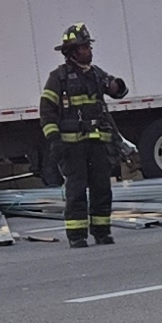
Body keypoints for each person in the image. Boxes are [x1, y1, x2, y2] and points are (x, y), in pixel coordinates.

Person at [39, 22, 128, 247]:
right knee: (76, 190)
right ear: (70, 52)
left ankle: (102, 232)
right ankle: (77, 236)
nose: (88, 51)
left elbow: (117, 92)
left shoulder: (97, 74)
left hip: (98, 144)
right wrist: (54, 140)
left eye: (88, 47)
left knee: (102, 189)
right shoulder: (58, 78)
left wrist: (118, 86)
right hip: (72, 146)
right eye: (82, 48)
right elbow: (47, 112)